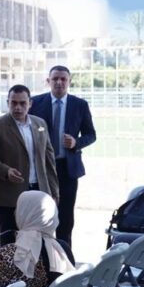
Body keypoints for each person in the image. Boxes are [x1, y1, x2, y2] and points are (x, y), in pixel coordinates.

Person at [0, 85, 59, 245]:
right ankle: (9, 263)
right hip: (8, 195)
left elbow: (49, 159)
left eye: (22, 103)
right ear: (7, 103)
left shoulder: (40, 124)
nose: (18, 107)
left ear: (30, 103)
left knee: (39, 239)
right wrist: (6, 170)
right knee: (10, 241)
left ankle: (36, 263)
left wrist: (53, 192)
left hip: (39, 192)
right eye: (13, 103)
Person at [29, 66, 96, 247]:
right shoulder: (35, 103)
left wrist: (76, 142)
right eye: (55, 79)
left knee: (65, 217)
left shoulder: (80, 105)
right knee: (41, 215)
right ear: (48, 81)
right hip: (41, 169)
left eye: (63, 79)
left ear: (69, 81)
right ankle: (42, 256)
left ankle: (64, 255)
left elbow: (91, 135)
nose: (59, 82)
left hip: (67, 168)